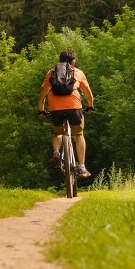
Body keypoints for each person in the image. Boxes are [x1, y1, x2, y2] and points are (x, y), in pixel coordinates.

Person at [38, 49, 95, 178]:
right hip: (74, 107)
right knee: (79, 134)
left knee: (57, 133)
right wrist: (90, 107)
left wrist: (41, 110)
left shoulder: (51, 73)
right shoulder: (78, 73)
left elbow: (42, 94)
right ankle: (81, 167)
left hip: (55, 108)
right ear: (73, 62)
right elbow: (88, 95)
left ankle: (57, 153)